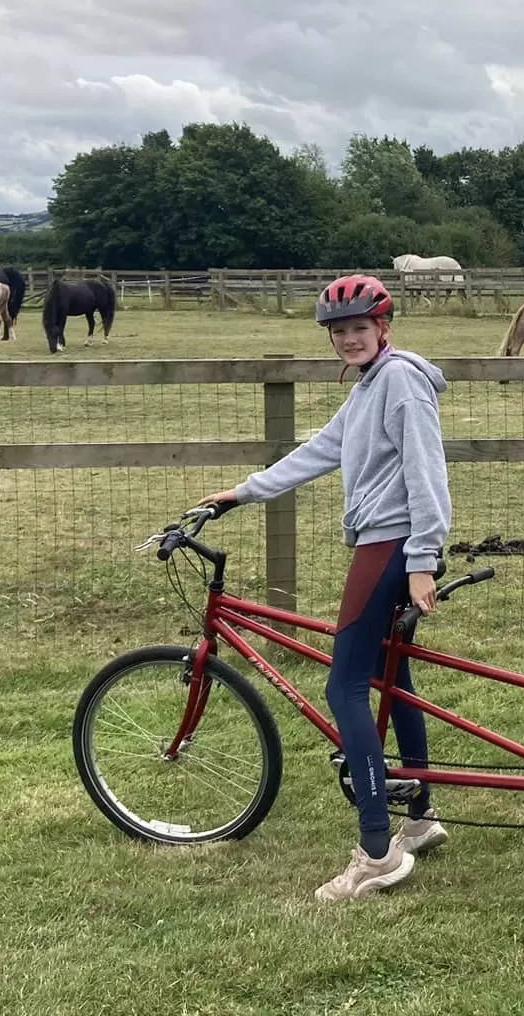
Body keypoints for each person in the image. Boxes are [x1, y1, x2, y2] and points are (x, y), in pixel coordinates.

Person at [197, 273, 452, 902]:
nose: (348, 339)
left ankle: (376, 852)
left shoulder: (400, 382)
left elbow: (428, 471)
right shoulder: (368, 386)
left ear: (383, 328)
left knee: (345, 686)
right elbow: (320, 450)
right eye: (338, 331)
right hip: (387, 542)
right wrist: (243, 492)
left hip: (391, 544)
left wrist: (423, 558)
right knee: (391, 677)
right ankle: (419, 817)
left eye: (359, 328)